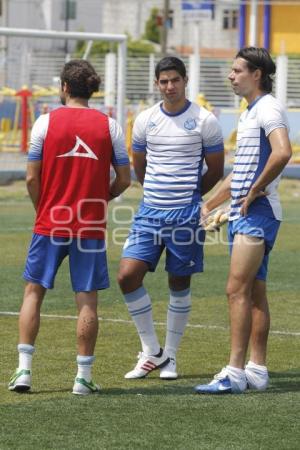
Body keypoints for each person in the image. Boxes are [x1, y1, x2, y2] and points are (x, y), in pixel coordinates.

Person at [8, 60, 131, 395]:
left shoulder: (45, 123)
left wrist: (43, 208)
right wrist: (100, 199)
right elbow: (124, 179)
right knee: (87, 299)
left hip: (49, 222)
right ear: (92, 89)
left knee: (34, 292)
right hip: (89, 227)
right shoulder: (110, 126)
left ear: (63, 87)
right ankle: (82, 377)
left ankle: (24, 372)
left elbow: (32, 177)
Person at [117, 56, 224, 380]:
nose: (169, 86)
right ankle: (152, 351)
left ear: (185, 80)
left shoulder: (205, 120)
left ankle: (171, 357)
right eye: (163, 81)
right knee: (127, 276)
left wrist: (190, 199)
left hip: (186, 215)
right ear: (156, 83)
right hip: (149, 212)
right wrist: (157, 192)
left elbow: (216, 171)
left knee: (179, 282)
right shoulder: (145, 119)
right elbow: (140, 166)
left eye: (175, 80)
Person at [194, 47, 292, 394]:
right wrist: (207, 205)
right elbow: (238, 176)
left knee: (235, 289)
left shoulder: (268, 108)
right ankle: (257, 370)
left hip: (258, 215)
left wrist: (255, 190)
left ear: (257, 75)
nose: (231, 76)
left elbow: (283, 152)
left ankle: (234, 373)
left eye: (237, 70)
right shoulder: (250, 112)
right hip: (245, 213)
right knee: (253, 293)